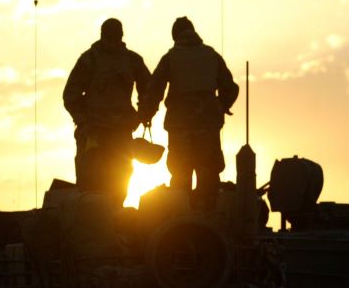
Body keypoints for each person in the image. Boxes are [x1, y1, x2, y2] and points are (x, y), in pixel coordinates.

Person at [140, 16, 239, 210]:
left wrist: (146, 115)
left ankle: (182, 216)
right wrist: (221, 106)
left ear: (175, 36)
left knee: (180, 173)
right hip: (208, 126)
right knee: (209, 172)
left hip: (180, 126)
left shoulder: (171, 57)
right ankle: (208, 215)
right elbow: (230, 88)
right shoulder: (212, 56)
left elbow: (154, 90)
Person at [63, 18, 151, 203]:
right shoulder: (90, 59)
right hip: (94, 135)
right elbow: (71, 95)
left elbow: (149, 91)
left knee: (118, 187)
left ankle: (113, 224)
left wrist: (142, 115)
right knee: (91, 189)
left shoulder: (131, 60)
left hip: (120, 134)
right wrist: (84, 121)